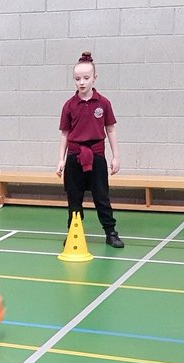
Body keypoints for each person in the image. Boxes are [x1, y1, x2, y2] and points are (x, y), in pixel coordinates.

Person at [56, 51, 123, 248]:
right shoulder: (69, 105)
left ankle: (110, 232)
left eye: (86, 78)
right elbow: (65, 134)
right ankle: (74, 233)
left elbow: (110, 129)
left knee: (102, 197)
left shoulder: (103, 103)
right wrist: (61, 159)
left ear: (95, 77)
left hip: (97, 156)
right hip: (75, 156)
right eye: (77, 79)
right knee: (74, 198)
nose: (82, 82)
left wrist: (116, 157)